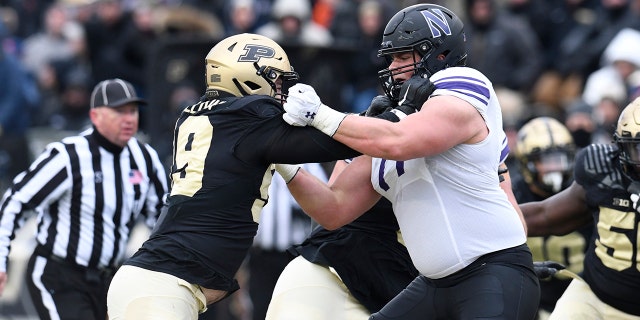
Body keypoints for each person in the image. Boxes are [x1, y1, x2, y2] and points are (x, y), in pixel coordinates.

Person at [276, 3, 540, 319]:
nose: (394, 67)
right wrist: (282, 159)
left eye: (403, 57)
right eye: (391, 58)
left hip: (491, 271)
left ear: (440, 55)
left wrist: (320, 115)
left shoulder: (466, 83)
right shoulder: (392, 118)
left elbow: (401, 141)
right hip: (433, 285)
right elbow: (332, 210)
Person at [106, 33, 360, 320]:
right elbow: (335, 142)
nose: (281, 90)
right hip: (162, 287)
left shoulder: (196, 114)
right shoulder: (248, 117)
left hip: (158, 282)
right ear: (248, 75)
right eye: (275, 79)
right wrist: (372, 118)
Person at [0, 78, 168, 320]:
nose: (129, 118)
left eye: (132, 111)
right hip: (60, 276)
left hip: (108, 280)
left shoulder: (144, 157)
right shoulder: (69, 156)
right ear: (96, 115)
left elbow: (161, 217)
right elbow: (15, 201)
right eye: (119, 111)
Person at [519, 97, 640, 318]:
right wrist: (484, 224)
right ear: (622, 147)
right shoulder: (605, 173)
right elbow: (546, 216)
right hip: (593, 295)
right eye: (638, 149)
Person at [512, 116, 592, 319]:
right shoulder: (513, 193)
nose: (554, 168)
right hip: (531, 296)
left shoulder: (582, 191)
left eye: (560, 159)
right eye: (545, 161)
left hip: (581, 290)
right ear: (526, 162)